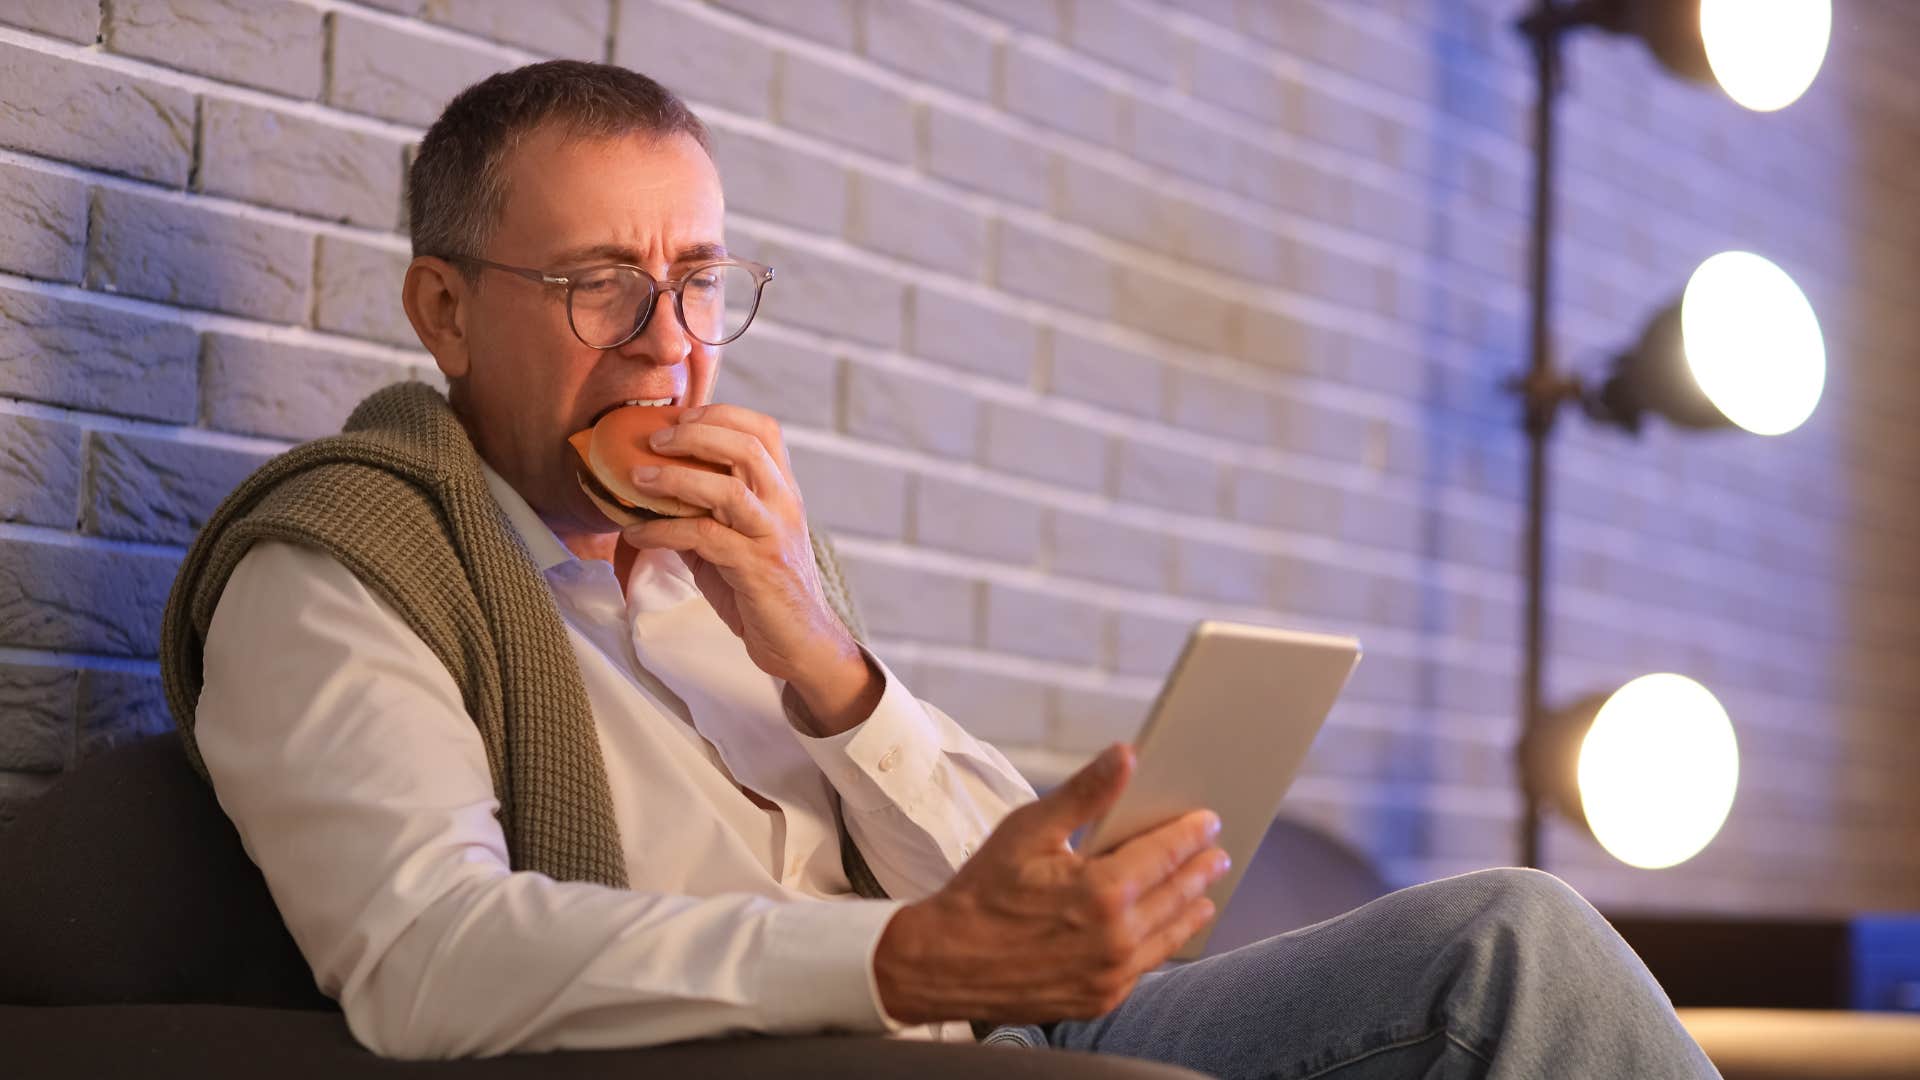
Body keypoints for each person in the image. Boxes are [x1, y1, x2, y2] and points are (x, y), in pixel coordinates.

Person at [158, 60, 1720, 1077]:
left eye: (698, 282)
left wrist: (823, 657)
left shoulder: (749, 557)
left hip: (1008, 1027)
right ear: (441, 313)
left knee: (1516, 940)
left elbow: (1007, 915)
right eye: (596, 286)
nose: (669, 347)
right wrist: (903, 961)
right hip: (841, 1045)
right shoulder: (345, 567)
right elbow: (431, 959)